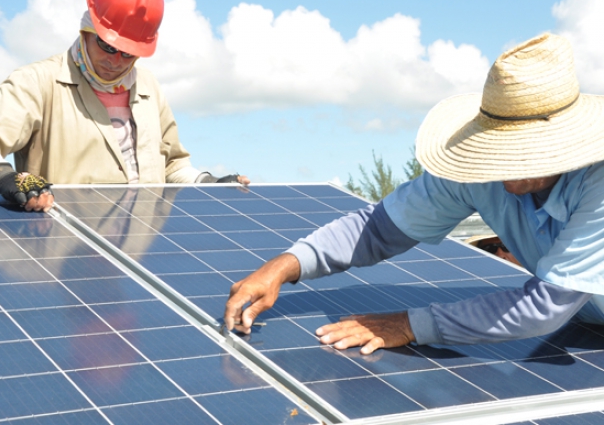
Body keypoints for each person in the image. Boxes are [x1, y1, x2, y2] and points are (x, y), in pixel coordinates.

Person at [224, 32, 604, 354]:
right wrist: (284, 266)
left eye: (525, 155)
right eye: (499, 153)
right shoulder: (477, 171)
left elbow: (546, 307)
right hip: (585, 325)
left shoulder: (598, 186)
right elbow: (376, 230)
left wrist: (409, 325)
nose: (504, 177)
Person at [0, 0, 249, 213]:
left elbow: (171, 167)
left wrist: (206, 184)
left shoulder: (149, 88)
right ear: (87, 29)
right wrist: (3, 176)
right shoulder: (40, 82)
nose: (116, 60)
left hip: (141, 254)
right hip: (64, 249)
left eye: (128, 52)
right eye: (107, 46)